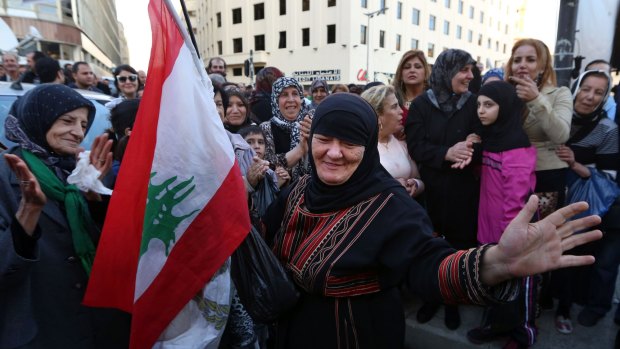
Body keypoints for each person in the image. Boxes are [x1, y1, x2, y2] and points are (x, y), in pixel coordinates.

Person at [262, 92, 602, 349]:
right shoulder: (301, 189)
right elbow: (265, 236)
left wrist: (495, 262)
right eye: (324, 140)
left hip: (355, 335)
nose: (333, 153)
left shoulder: (390, 206)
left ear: (367, 146)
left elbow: (428, 263)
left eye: (349, 143)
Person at [0, 84, 129, 348]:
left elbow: (115, 248)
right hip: (39, 327)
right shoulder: (7, 174)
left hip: (97, 324)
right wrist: (28, 213)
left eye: (84, 123)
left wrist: (96, 199)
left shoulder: (85, 170)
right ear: (39, 118)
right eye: (68, 121)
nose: (78, 132)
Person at [405, 49, 482, 330]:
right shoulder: (422, 106)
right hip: (431, 193)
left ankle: (452, 299)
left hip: (464, 193)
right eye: (464, 70)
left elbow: (483, 141)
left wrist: (471, 147)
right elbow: (417, 146)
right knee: (430, 245)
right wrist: (446, 153)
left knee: (459, 248)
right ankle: (431, 295)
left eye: (471, 70)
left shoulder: (475, 103)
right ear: (446, 72)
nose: (470, 76)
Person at [506, 38, 573, 324]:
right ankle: (508, 302)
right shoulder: (504, 92)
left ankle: (533, 307)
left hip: (545, 176)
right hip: (508, 176)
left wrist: (535, 99)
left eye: (530, 59)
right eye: (517, 59)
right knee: (509, 239)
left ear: (542, 65)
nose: (522, 65)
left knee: (539, 240)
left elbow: (561, 134)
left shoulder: (559, 93)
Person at [466, 81, 538, 348]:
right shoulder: (491, 140)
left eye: (488, 105)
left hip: (510, 232)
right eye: (478, 105)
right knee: (496, 283)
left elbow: (517, 197)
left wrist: (510, 236)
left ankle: (523, 333)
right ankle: (496, 326)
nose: (481, 111)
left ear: (505, 107)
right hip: (488, 228)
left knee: (519, 284)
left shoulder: (517, 147)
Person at [553, 69, 620, 333]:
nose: (590, 97)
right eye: (585, 88)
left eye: (599, 92)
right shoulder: (557, 116)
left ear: (605, 98)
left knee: (572, 252)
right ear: (576, 87)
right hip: (548, 195)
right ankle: (542, 299)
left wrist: (576, 164)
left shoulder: (608, 129)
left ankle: (564, 309)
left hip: (579, 203)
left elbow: (610, 177)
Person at [362, 85, 424, 197]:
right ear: (378, 115)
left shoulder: (401, 142)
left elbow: (419, 179)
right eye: (394, 106)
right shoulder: (362, 148)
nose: (401, 111)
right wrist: (392, 186)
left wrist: (415, 184)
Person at [259, 77, 311, 183]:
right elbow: (267, 164)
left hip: (309, 193)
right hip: (280, 195)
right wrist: (300, 150)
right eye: (284, 95)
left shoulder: (309, 124)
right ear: (275, 100)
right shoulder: (266, 128)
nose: (291, 99)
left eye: (295, 94)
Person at [391, 49, 430, 120]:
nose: (412, 70)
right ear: (400, 74)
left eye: (418, 67)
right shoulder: (391, 99)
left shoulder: (434, 100)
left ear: (426, 73)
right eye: (407, 67)